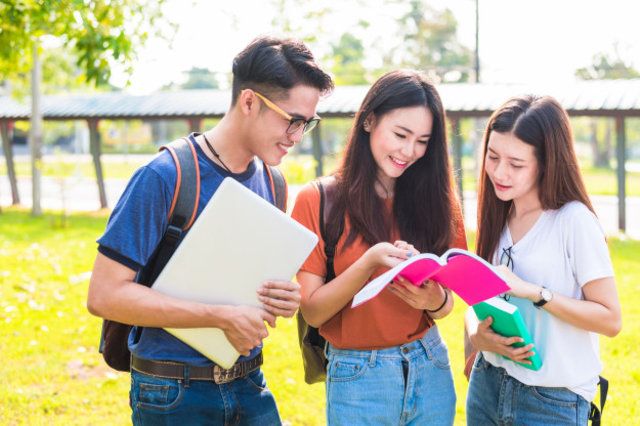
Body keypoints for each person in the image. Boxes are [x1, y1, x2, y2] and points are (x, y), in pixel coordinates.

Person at [87, 36, 333, 425]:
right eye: (292, 120)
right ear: (249, 101)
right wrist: (218, 316)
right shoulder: (165, 176)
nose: (297, 136)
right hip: (171, 392)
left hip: (249, 382)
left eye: (308, 123)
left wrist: (282, 298)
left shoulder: (274, 183)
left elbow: (239, 283)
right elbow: (104, 295)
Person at [291, 70, 466, 425]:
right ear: (369, 121)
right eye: (400, 134)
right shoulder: (318, 200)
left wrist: (434, 300)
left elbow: (448, 302)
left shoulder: (439, 202)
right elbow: (313, 311)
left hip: (428, 364)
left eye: (422, 141)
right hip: (358, 377)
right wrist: (370, 262)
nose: (409, 151)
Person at [465, 95, 622, 425]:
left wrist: (537, 293)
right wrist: (476, 335)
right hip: (488, 384)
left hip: (552, 400)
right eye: (492, 157)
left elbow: (610, 320)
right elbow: (476, 302)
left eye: (516, 164)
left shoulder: (573, 221)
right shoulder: (498, 213)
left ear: (547, 162)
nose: (499, 172)